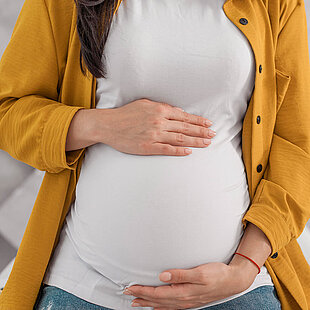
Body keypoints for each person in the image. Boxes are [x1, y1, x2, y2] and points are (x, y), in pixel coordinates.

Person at [0, 0, 309, 309]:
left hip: (233, 289)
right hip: (84, 286)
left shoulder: (274, 5)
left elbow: (297, 146)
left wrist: (244, 268)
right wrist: (102, 125)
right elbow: (8, 112)